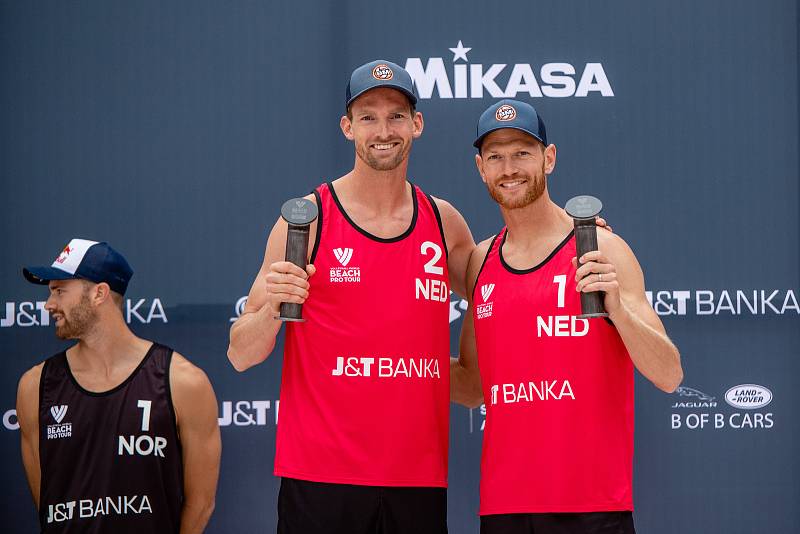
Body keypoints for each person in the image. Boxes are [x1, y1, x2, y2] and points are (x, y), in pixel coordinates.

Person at [227, 60, 475, 534]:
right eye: (368, 117)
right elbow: (241, 353)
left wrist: (574, 240)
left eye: (396, 115)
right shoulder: (307, 220)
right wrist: (274, 309)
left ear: (417, 124)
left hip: (416, 479)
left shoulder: (443, 221)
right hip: (321, 479)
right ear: (348, 127)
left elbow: (503, 277)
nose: (383, 130)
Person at [453, 100, 683, 534]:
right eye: (496, 156)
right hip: (505, 508)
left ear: (549, 158)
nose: (509, 168)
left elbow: (669, 373)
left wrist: (617, 309)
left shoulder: (600, 248)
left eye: (522, 152)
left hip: (593, 507)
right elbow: (472, 387)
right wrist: (390, 362)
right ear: (480, 167)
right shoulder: (480, 260)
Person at [16, 239, 221, 533]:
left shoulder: (183, 382)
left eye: (59, 291)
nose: (49, 305)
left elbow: (201, 503)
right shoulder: (35, 386)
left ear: (99, 293)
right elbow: (47, 501)